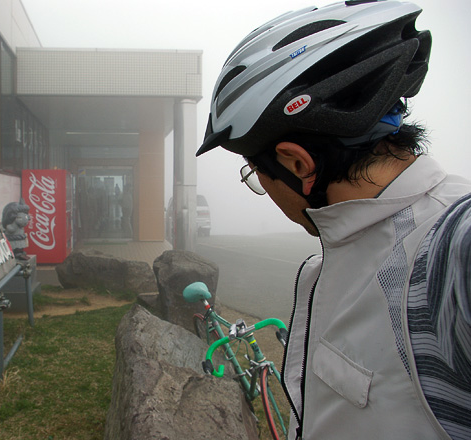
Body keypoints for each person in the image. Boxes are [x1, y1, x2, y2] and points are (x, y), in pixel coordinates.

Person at [196, 1, 471, 439]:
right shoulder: (339, 253)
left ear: (298, 164)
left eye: (257, 175)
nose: (264, 191)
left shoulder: (447, 245)